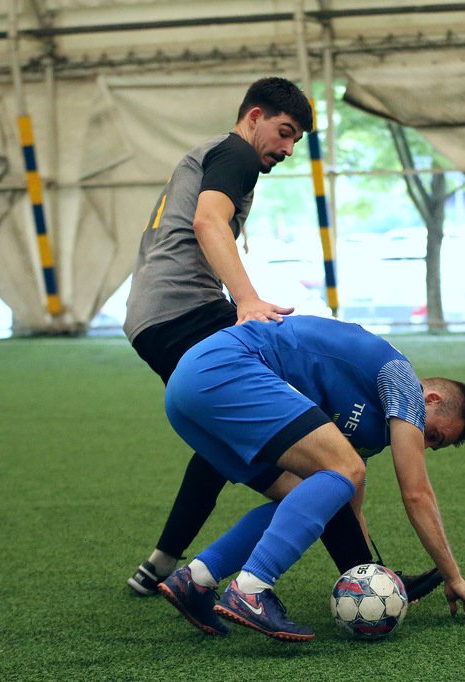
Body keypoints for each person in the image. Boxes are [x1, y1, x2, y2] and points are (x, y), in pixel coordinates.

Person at [121, 77, 441, 602]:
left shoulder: (210, 154)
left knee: (256, 449)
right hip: (185, 313)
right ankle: (359, 577)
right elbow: (207, 221)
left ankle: (168, 566)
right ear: (254, 117)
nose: (289, 149)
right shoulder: (237, 154)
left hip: (153, 318)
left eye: (296, 140)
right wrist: (247, 301)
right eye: (285, 132)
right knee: (325, 466)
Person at [156, 315, 465, 641]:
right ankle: (251, 589)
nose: (424, 444)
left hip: (186, 394)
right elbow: (416, 493)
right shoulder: (402, 380)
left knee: (317, 493)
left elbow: (345, 509)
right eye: (434, 435)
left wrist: (372, 578)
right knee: (347, 469)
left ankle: (195, 579)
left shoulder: (372, 430)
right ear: (431, 399)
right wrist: (453, 576)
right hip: (224, 366)